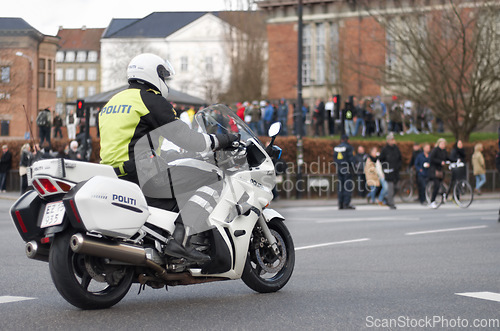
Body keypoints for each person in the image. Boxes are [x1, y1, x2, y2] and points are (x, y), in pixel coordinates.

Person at [98, 53, 238, 263]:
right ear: (153, 74)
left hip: (113, 176)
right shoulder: (151, 100)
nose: (165, 81)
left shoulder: (112, 102)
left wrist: (169, 154)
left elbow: (130, 141)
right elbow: (188, 139)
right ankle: (180, 241)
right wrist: (223, 139)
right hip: (144, 176)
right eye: (163, 75)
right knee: (215, 179)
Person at [379, 133, 401, 209]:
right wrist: (385, 167)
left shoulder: (396, 148)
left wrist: (398, 166)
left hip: (396, 171)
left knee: (397, 187)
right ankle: (391, 203)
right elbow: (381, 159)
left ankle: (388, 198)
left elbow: (399, 158)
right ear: (388, 141)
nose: (393, 141)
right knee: (390, 187)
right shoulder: (385, 149)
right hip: (389, 171)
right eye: (391, 139)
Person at [333, 134, 355, 210]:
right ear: (347, 140)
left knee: (340, 186)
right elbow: (351, 159)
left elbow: (335, 159)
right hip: (347, 168)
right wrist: (354, 167)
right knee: (347, 186)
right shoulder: (349, 147)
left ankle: (340, 203)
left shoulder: (336, 148)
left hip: (339, 168)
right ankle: (346, 203)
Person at [428, 138, 448, 208]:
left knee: (441, 185)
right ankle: (432, 201)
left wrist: (455, 160)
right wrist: (440, 162)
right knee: (436, 185)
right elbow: (432, 159)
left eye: (444, 144)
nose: (443, 145)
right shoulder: (435, 150)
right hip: (434, 170)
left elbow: (447, 158)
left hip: (440, 171)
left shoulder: (444, 151)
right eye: (442, 144)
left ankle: (442, 196)